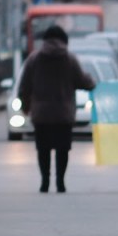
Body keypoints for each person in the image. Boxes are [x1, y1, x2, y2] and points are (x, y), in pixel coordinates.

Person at [15, 23, 94, 195]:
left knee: (43, 149)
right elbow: (83, 81)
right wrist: (92, 82)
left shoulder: (34, 59)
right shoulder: (70, 59)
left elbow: (24, 87)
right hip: (63, 113)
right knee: (62, 148)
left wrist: (25, 107)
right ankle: (60, 181)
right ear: (64, 40)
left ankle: (45, 181)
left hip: (41, 113)